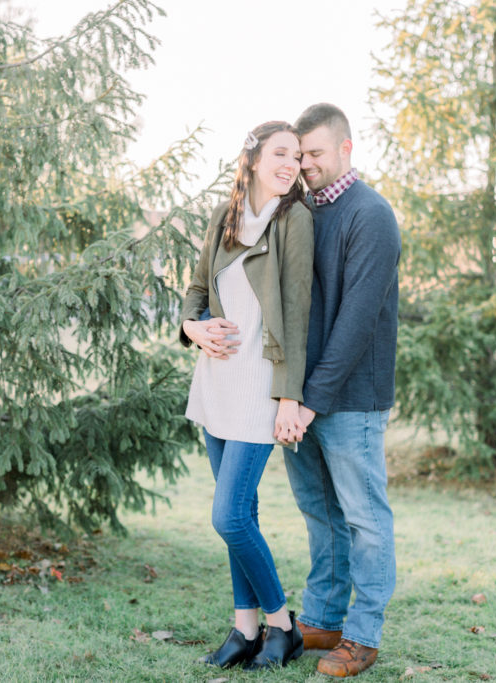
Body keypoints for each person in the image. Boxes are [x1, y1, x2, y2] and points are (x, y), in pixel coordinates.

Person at [179, 121, 314, 670]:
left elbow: (299, 314)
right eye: (281, 152)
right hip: (216, 385)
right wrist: (193, 327)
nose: (291, 164)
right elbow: (195, 290)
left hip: (261, 388)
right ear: (253, 157)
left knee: (229, 516)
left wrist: (289, 397)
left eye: (299, 156)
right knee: (245, 512)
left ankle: (282, 624)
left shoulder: (294, 220)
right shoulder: (225, 216)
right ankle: (244, 629)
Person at [283, 103, 401, 678]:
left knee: (363, 518)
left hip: (350, 398)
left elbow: (356, 321)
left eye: (316, 153)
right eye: (301, 154)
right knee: (318, 513)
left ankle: (363, 634)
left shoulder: (370, 214)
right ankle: (324, 618)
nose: (306, 164)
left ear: (346, 148)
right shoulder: (306, 213)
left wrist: (311, 400)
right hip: (301, 398)